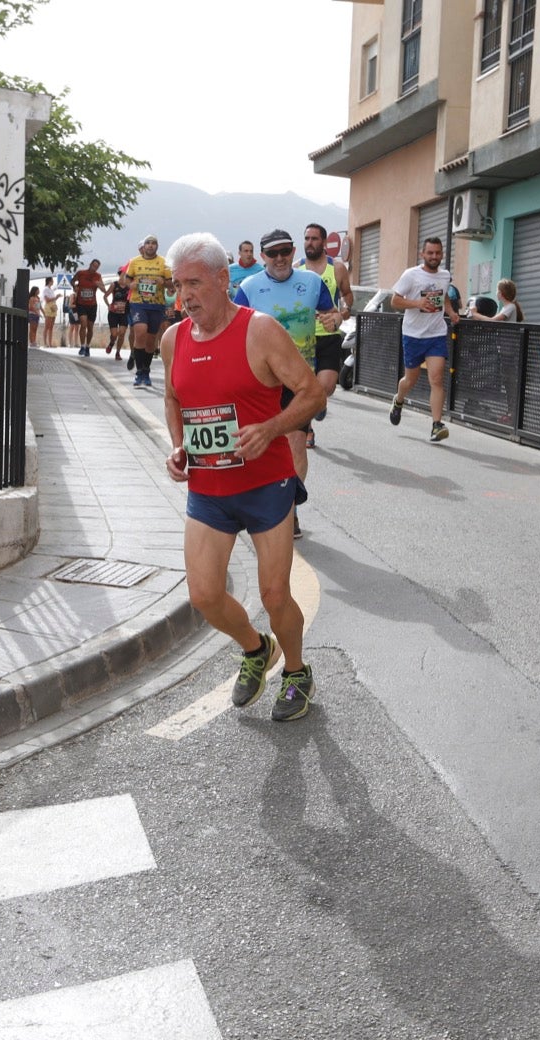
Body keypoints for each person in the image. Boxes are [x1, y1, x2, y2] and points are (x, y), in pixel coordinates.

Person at [160, 231, 325, 721]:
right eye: (177, 285)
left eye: (193, 283)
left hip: (266, 484)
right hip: (208, 488)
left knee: (275, 594)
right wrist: (177, 445)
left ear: (222, 278)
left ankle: (296, 671)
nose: (184, 296)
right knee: (204, 596)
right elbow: (173, 398)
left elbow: (312, 393)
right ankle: (257, 650)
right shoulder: (174, 339)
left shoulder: (261, 331)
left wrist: (271, 428)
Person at [234, 229, 339, 537]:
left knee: (295, 442)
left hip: (298, 379)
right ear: (263, 256)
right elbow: (235, 329)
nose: (279, 258)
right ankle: (259, 502)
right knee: (262, 445)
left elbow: (330, 314)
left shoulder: (312, 282)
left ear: (294, 252)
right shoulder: (249, 287)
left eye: (285, 252)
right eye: (272, 253)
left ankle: (288, 510)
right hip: (260, 380)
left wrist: (334, 319)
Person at [387, 237, 460, 443]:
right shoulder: (411, 275)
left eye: (438, 253)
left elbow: (444, 296)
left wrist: (451, 312)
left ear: (442, 254)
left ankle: (437, 425)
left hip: (436, 333)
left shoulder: (445, 276)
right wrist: (417, 302)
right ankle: (399, 400)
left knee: (436, 379)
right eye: (430, 253)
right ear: (423, 254)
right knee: (410, 379)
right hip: (413, 335)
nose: (434, 257)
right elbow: (395, 301)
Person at [298, 223, 353, 447]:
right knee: (304, 387)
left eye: (314, 239)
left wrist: (342, 314)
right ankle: (308, 430)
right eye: (306, 238)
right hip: (302, 338)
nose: (309, 243)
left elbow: (348, 297)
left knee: (327, 386)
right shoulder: (296, 269)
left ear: (323, 242)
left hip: (329, 335)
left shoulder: (337, 268)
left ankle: (321, 403)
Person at [123, 235, 172, 387]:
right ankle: (138, 373)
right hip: (138, 303)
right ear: (143, 247)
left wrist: (163, 282)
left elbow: (171, 284)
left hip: (156, 305)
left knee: (151, 340)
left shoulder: (164, 263)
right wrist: (130, 285)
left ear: (157, 246)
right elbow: (126, 280)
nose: (150, 246)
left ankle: (146, 371)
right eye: (148, 243)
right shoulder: (135, 261)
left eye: (153, 243)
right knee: (140, 332)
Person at [72, 258, 103, 357]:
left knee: (90, 328)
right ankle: (82, 346)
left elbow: (104, 289)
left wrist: (99, 285)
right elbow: (72, 281)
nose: (95, 268)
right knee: (83, 324)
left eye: (97, 267)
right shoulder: (81, 273)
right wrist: (75, 287)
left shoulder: (98, 276)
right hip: (81, 304)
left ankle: (88, 346)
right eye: (94, 265)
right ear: (90, 264)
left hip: (92, 305)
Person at [104, 273, 130, 358]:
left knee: (122, 333)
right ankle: (111, 344)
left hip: (124, 313)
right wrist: (108, 305)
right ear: (120, 276)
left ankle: (118, 352)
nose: (124, 278)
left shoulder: (129, 287)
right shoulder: (114, 285)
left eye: (126, 276)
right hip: (113, 313)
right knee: (114, 334)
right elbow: (105, 296)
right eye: (122, 276)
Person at [40, 277, 59, 347]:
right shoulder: (45, 289)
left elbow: (52, 299)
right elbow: (47, 300)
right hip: (48, 307)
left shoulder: (51, 289)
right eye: (52, 280)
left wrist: (56, 298)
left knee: (51, 326)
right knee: (47, 326)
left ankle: (50, 343)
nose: (53, 282)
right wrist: (55, 298)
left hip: (53, 307)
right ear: (49, 281)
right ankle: (45, 343)